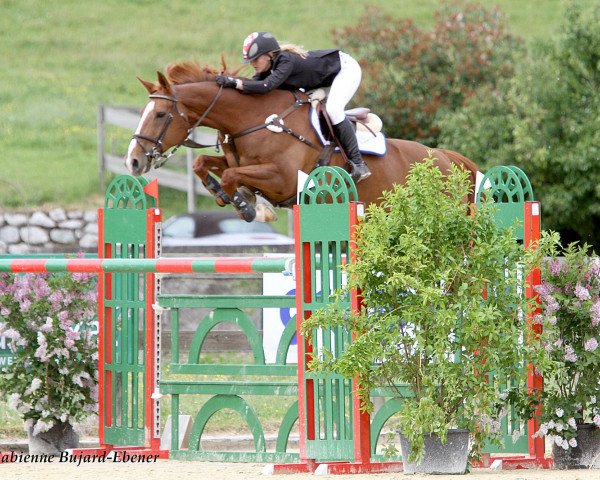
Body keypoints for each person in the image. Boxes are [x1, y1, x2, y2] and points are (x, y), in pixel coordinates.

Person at [215, 32, 371, 183]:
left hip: (345, 70)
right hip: (323, 81)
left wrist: (234, 82)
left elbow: (266, 86)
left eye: (255, 59)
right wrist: (229, 89)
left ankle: (359, 164)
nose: (252, 64)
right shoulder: (267, 68)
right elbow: (254, 88)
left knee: (333, 110)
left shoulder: (286, 60)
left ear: (270, 54)